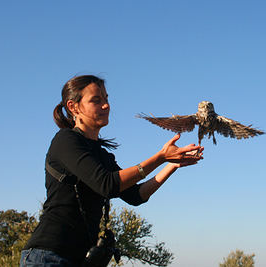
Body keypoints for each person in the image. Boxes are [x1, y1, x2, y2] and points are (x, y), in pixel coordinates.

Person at [20, 75, 203, 266]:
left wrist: (172, 165)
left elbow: (136, 195)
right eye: (96, 100)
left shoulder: (102, 155)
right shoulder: (66, 141)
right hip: (47, 256)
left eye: (106, 99)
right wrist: (160, 157)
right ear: (74, 107)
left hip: (79, 259)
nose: (106, 106)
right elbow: (107, 184)